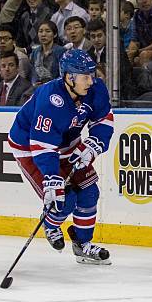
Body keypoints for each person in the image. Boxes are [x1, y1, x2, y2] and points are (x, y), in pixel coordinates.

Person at [8, 49, 114, 264]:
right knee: (63, 199)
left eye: (92, 75)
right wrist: (51, 176)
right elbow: (42, 144)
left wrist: (94, 144)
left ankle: (82, 245)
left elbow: (104, 119)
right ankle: (50, 223)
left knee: (90, 192)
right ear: (69, 77)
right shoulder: (50, 99)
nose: (91, 81)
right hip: (30, 146)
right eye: (85, 76)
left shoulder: (95, 89)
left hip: (68, 142)